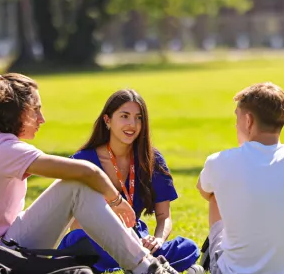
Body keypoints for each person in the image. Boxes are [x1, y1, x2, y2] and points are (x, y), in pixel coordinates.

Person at [0, 73, 177, 274]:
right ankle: (146, 268)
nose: (42, 119)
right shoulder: (2, 149)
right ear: (14, 111)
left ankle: (144, 264)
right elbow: (87, 171)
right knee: (76, 186)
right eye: (35, 109)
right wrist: (117, 201)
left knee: (75, 187)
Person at [57, 89, 200, 273]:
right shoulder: (82, 161)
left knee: (187, 248)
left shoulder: (152, 160)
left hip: (136, 237)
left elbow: (164, 217)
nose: (132, 124)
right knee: (77, 242)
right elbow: (75, 223)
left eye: (138, 118)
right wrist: (117, 239)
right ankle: (143, 264)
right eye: (124, 116)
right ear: (107, 120)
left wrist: (157, 240)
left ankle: (140, 261)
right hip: (97, 240)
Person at [196, 82, 284, 274]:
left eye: (238, 117)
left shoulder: (219, 162)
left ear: (248, 121)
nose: (236, 124)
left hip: (232, 271)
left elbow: (203, 189)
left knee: (216, 192)